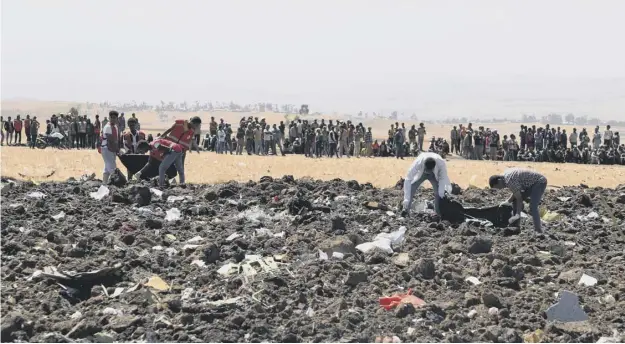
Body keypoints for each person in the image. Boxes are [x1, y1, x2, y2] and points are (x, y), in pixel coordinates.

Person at [489, 168, 547, 233]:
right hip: (529, 185)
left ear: (499, 181)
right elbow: (516, 193)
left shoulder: (509, 181)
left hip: (539, 182)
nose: (500, 189)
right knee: (515, 200)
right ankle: (515, 226)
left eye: (498, 187)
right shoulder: (505, 176)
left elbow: (519, 199)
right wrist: (508, 201)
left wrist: (518, 214)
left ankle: (538, 231)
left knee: (533, 207)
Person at [402, 152, 452, 216]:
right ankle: (406, 210)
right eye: (427, 170)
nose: (428, 173)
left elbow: (442, 179)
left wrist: (441, 193)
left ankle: (438, 213)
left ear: (433, 168)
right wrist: (406, 198)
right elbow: (408, 179)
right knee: (412, 189)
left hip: (434, 175)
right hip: (422, 174)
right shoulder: (419, 162)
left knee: (438, 194)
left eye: (429, 171)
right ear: (424, 166)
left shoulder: (441, 164)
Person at [100, 111, 120, 183]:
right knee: (112, 167)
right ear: (109, 118)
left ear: (117, 118)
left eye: (114, 118)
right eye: (111, 118)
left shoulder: (115, 127)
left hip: (112, 148)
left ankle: (104, 183)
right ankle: (115, 184)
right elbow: (110, 141)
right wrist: (117, 150)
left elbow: (116, 139)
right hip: (107, 148)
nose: (113, 119)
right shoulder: (108, 127)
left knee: (107, 168)